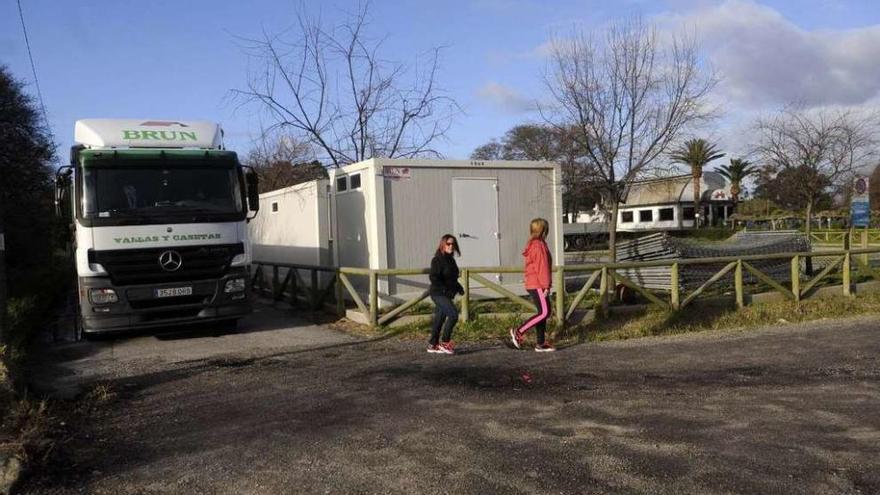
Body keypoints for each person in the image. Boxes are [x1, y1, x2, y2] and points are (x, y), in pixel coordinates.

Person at [510, 218, 556, 352]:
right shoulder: (538, 245)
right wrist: (546, 286)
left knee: (543, 312)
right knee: (545, 312)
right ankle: (518, 332)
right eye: (546, 228)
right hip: (538, 283)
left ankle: (540, 344)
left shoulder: (537, 243)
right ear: (543, 230)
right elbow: (542, 267)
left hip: (536, 282)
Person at [427, 234, 464, 354]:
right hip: (438, 293)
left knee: (439, 318)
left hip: (447, 294)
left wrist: (459, 287)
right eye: (448, 243)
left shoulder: (451, 260)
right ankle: (445, 342)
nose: (451, 246)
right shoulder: (437, 259)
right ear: (443, 244)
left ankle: (432, 344)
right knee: (453, 314)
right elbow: (434, 277)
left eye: (453, 244)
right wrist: (443, 289)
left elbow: (452, 278)